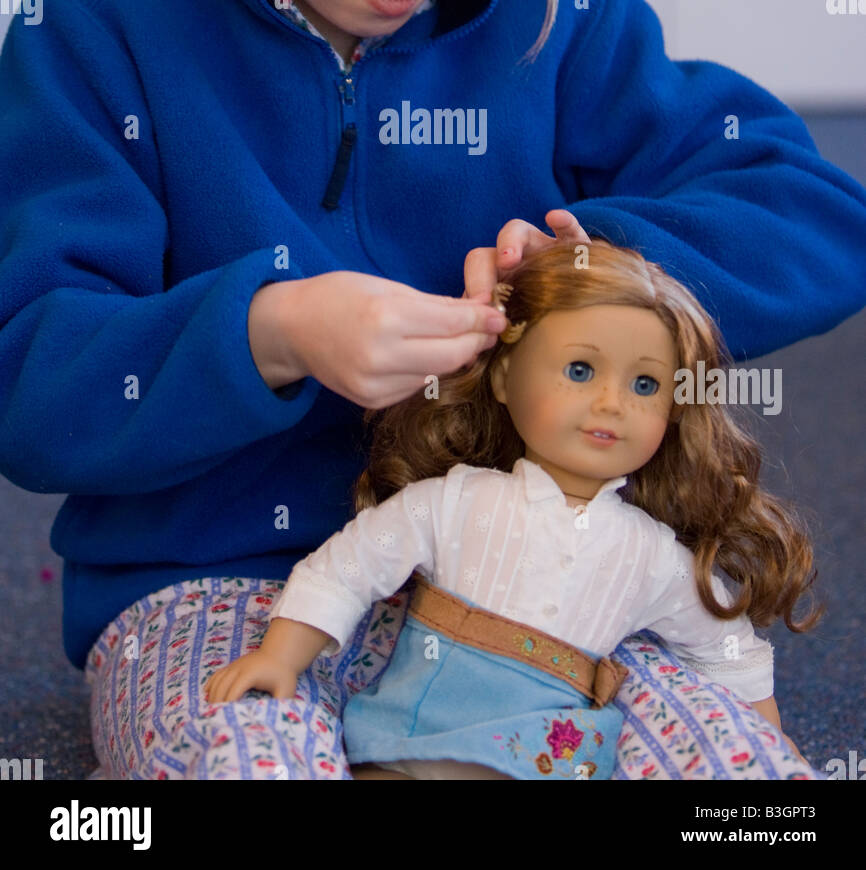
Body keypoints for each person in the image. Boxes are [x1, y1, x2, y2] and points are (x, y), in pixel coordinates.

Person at [0, 0, 864, 781]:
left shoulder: (558, 25)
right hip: (219, 586)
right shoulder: (95, 32)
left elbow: (817, 211)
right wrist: (267, 333)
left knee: (740, 780)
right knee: (242, 759)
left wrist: (590, 269)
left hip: (543, 583)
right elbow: (33, 377)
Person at [204, 240, 824, 780]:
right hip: (408, 741)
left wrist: (768, 739)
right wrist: (279, 657)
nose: (612, 403)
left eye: (645, 385)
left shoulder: (652, 556)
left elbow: (725, 647)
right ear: (503, 379)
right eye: (580, 370)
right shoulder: (454, 501)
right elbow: (349, 567)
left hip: (544, 760)